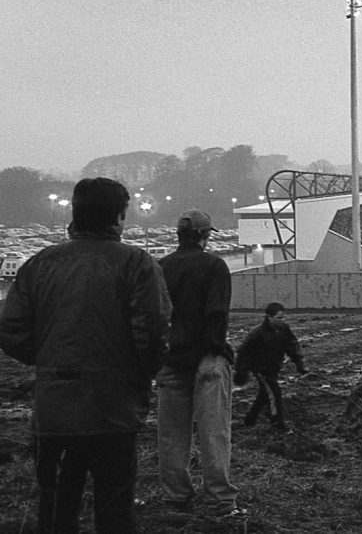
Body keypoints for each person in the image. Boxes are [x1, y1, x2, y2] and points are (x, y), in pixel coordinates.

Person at [0, 177, 170, 533]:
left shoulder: (40, 263)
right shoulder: (137, 264)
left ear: (75, 214)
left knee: (56, 509)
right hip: (114, 409)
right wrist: (140, 374)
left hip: (55, 408)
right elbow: (152, 333)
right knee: (115, 509)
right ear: (120, 217)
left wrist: (50, 359)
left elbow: (11, 329)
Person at [157, 209, 243, 519]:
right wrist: (217, 350)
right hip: (207, 359)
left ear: (178, 236)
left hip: (171, 359)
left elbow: (157, 314)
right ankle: (220, 502)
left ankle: (175, 498)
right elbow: (217, 312)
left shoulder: (161, 267)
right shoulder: (214, 265)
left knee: (172, 435)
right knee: (214, 433)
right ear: (205, 236)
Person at [234, 302, 308, 431]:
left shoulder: (284, 329)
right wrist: (241, 372)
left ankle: (249, 420)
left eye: (283, 317)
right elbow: (242, 352)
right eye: (279, 318)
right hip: (260, 369)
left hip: (274, 367)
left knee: (264, 394)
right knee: (274, 393)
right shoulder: (257, 333)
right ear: (269, 317)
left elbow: (292, 346)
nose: (282, 320)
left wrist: (299, 365)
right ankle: (277, 423)